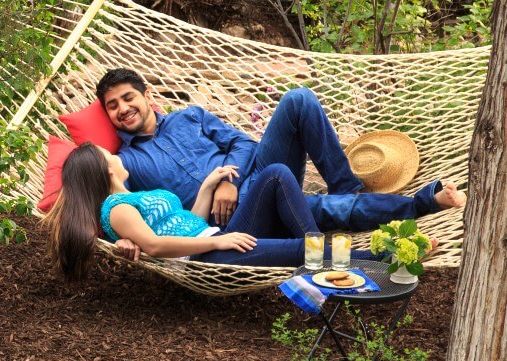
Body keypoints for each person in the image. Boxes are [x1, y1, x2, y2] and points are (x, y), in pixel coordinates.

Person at [95, 67, 465, 232]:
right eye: (113, 106)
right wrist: (128, 241)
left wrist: (231, 181)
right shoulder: (126, 163)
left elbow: (243, 142)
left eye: (128, 98)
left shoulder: (189, 116)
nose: (123, 109)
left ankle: (345, 185)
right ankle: (422, 204)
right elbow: (134, 211)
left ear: (148, 97)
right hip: (234, 217)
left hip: (253, 174)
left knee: (299, 99)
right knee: (323, 209)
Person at [49, 143, 378, 277]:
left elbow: (187, 223)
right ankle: (384, 261)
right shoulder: (116, 207)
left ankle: (319, 263)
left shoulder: (133, 197)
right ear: (106, 169)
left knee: (276, 173)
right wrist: (217, 242)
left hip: (212, 239)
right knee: (300, 249)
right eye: (110, 155)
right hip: (207, 259)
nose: (117, 156)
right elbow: (155, 246)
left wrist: (207, 186)